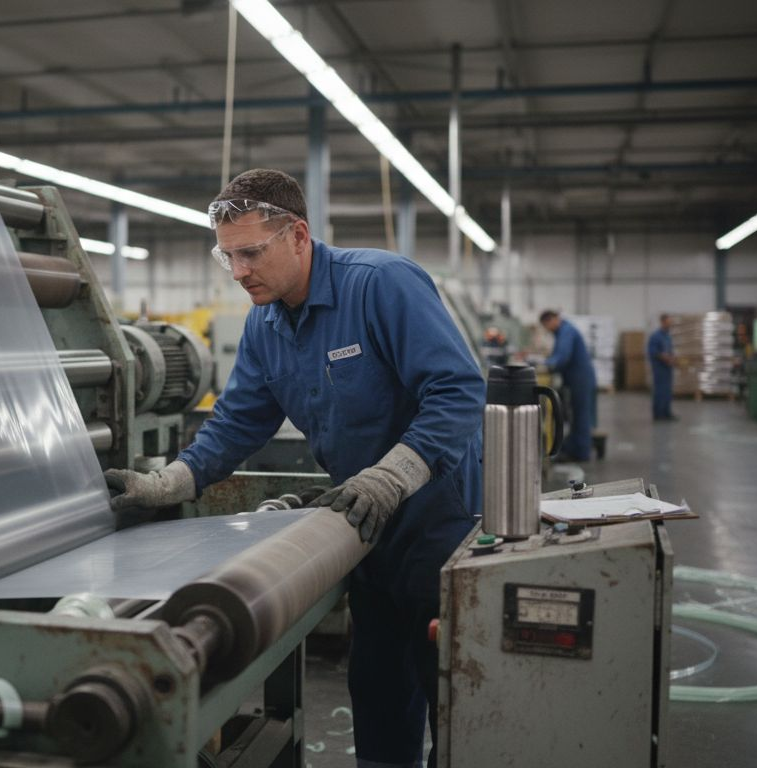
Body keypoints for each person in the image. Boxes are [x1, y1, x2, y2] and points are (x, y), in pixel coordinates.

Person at [106, 169, 484, 768]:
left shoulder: (381, 285)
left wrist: (392, 477)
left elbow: (459, 390)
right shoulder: (266, 324)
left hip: (439, 517)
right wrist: (167, 483)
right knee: (379, 687)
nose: (239, 272)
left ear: (299, 236)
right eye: (227, 256)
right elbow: (237, 424)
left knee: (453, 688)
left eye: (251, 253)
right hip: (362, 523)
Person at [539, 309, 597, 461]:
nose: (547, 329)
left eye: (547, 326)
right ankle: (575, 447)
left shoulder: (566, 331)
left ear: (552, 320)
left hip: (580, 378)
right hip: (575, 378)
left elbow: (562, 356)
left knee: (581, 414)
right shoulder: (562, 331)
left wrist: (545, 364)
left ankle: (582, 453)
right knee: (575, 414)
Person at [648, 314, 678, 421]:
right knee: (660, 391)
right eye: (668, 322)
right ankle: (658, 414)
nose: (670, 324)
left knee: (667, 391)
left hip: (668, 369)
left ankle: (667, 412)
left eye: (670, 322)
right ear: (662, 322)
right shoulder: (656, 336)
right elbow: (653, 352)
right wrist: (665, 358)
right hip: (659, 369)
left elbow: (669, 351)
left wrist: (673, 358)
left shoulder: (668, 337)